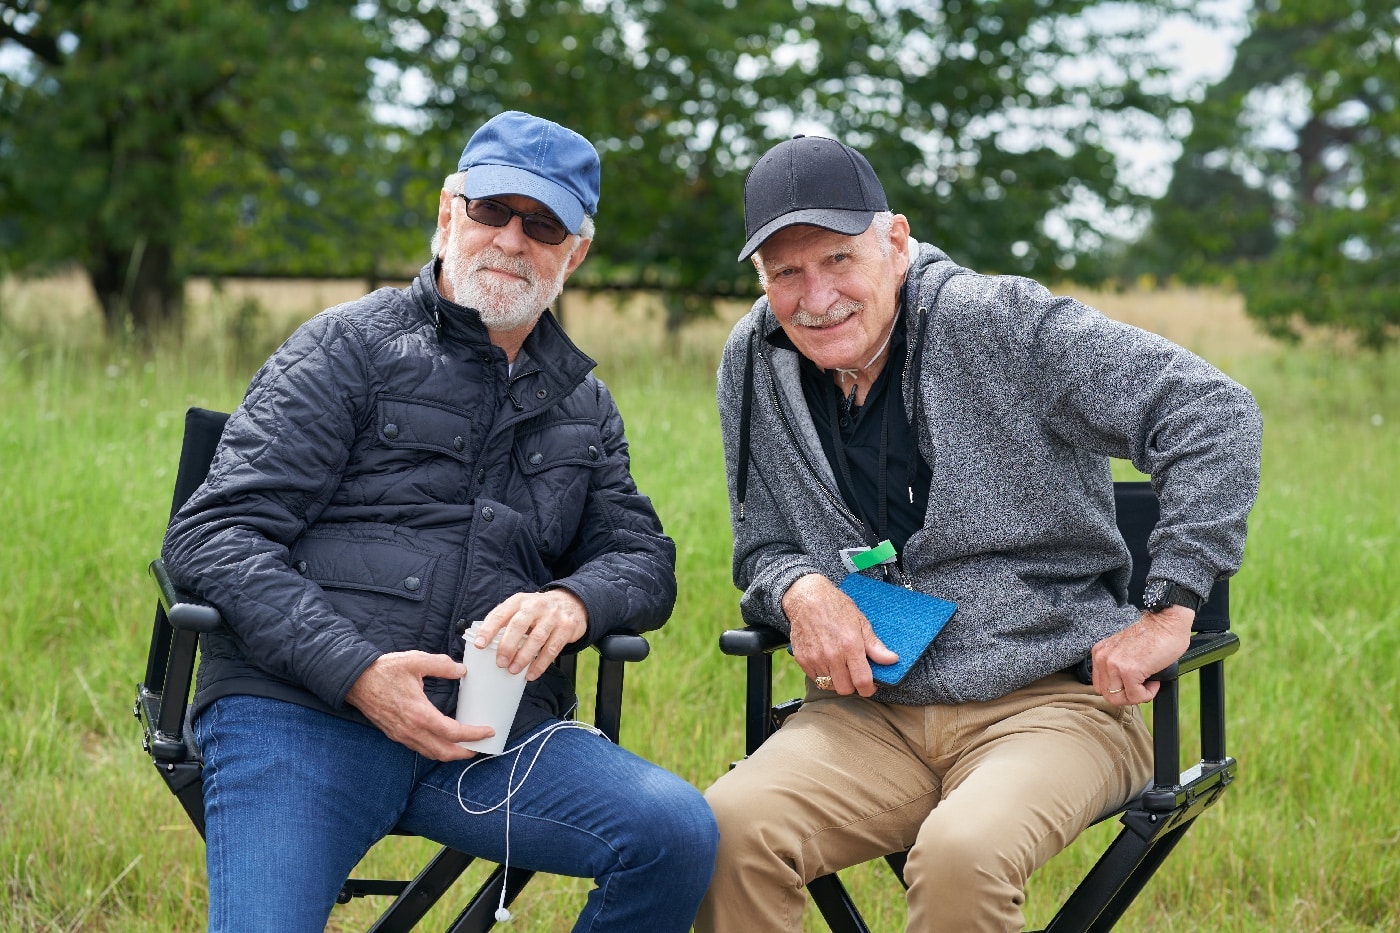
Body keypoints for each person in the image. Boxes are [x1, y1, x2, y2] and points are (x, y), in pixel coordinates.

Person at [162, 110, 717, 933]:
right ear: (448, 213)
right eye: (492, 210)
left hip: (487, 737)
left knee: (675, 830)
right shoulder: (346, 346)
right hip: (301, 713)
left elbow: (641, 556)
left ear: (577, 251)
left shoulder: (583, 403)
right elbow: (212, 533)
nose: (510, 239)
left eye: (542, 223)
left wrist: (573, 602)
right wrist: (355, 670)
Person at [697, 134, 1262, 932]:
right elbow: (762, 542)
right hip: (868, 715)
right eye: (785, 271)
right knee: (725, 830)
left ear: (895, 243)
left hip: (1053, 703)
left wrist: (1169, 610)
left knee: (961, 851)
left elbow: (1212, 411)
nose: (815, 297)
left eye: (837, 259)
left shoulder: (998, 322)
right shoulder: (753, 360)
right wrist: (799, 586)